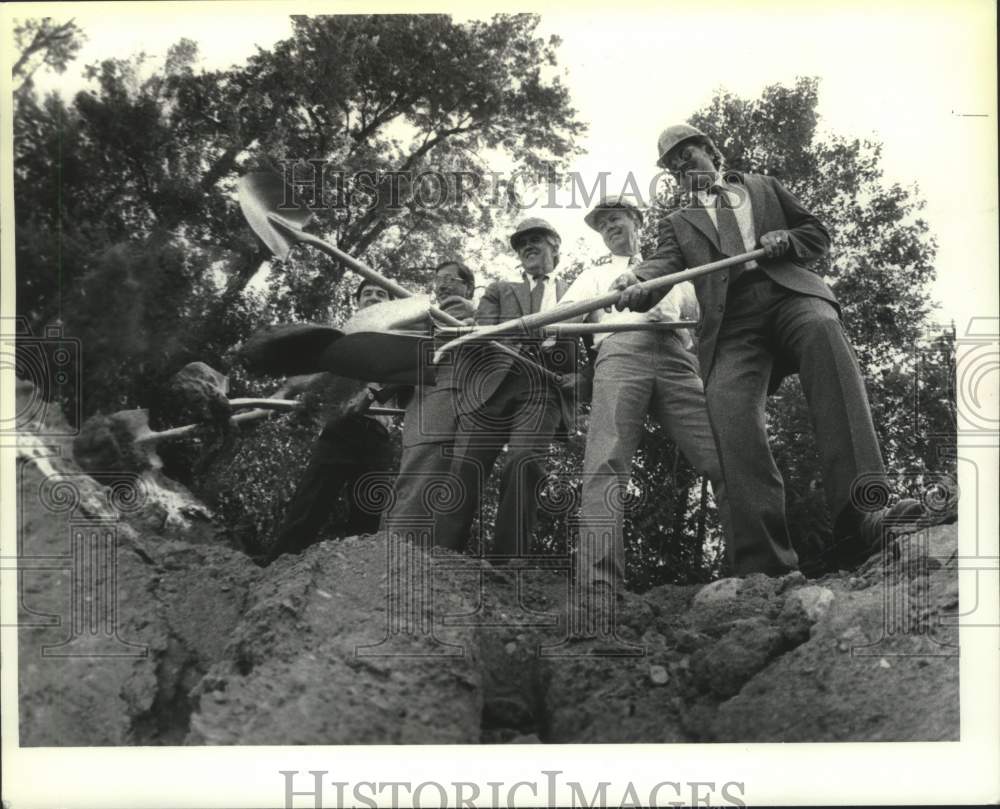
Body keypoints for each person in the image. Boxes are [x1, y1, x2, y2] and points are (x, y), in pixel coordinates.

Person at [615, 124, 924, 577]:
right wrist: (636, 281)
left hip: (791, 296)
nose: (682, 168)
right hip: (733, 324)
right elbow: (660, 267)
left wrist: (788, 241)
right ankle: (764, 565)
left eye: (688, 155)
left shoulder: (763, 187)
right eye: (672, 166)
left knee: (824, 331)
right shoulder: (678, 223)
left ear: (711, 151)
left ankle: (866, 516)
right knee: (727, 408)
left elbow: (815, 233)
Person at [562, 194, 732, 592]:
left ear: (637, 220)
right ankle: (599, 585)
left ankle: (756, 568)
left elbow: (707, 320)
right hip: (619, 349)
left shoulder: (679, 271)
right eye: (602, 225)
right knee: (606, 461)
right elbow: (563, 320)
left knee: (725, 454)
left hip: (677, 357)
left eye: (616, 219)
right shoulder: (593, 275)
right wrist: (573, 368)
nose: (609, 228)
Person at [433, 219, 578, 561]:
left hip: (544, 387)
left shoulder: (579, 289)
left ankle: (507, 562)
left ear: (554, 246)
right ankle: (440, 557)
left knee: (523, 462)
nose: (527, 246)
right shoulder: (500, 289)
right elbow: (484, 332)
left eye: (536, 240)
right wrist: (480, 331)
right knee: (464, 465)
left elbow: (598, 336)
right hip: (492, 385)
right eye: (521, 243)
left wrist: (584, 378)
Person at [266, 279, 397, 563]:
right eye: (367, 293)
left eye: (381, 293)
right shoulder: (344, 336)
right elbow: (317, 374)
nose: (374, 296)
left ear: (390, 302)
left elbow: (402, 378)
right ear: (358, 302)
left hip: (377, 435)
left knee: (368, 515)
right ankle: (276, 565)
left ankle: (355, 584)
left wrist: (373, 393)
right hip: (340, 428)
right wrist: (282, 393)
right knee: (308, 506)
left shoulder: (401, 334)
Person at [382, 261, 477, 535]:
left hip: (440, 401)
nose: (443, 284)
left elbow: (425, 347)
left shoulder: (456, 307)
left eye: (450, 278)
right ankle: (393, 547)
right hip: (427, 402)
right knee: (418, 472)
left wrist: (379, 385)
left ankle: (399, 545)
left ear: (467, 287)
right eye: (438, 279)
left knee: (422, 473)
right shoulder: (437, 313)